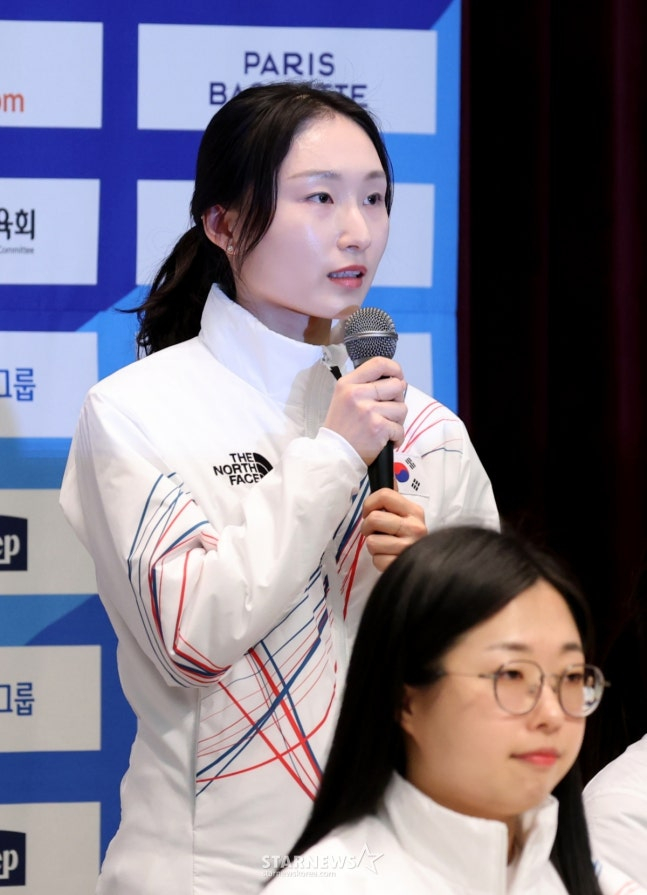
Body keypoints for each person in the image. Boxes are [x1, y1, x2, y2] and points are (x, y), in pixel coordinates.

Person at [59, 81, 498, 895]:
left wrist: (432, 584)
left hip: (396, 864)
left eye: (374, 198)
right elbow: (194, 635)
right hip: (209, 873)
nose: (357, 229)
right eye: (319, 198)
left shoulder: (429, 432)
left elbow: (499, 666)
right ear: (223, 224)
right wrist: (335, 453)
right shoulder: (135, 412)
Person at [265, 525, 640, 895]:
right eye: (511, 674)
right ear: (405, 700)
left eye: (572, 677)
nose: (553, 714)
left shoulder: (602, 883)